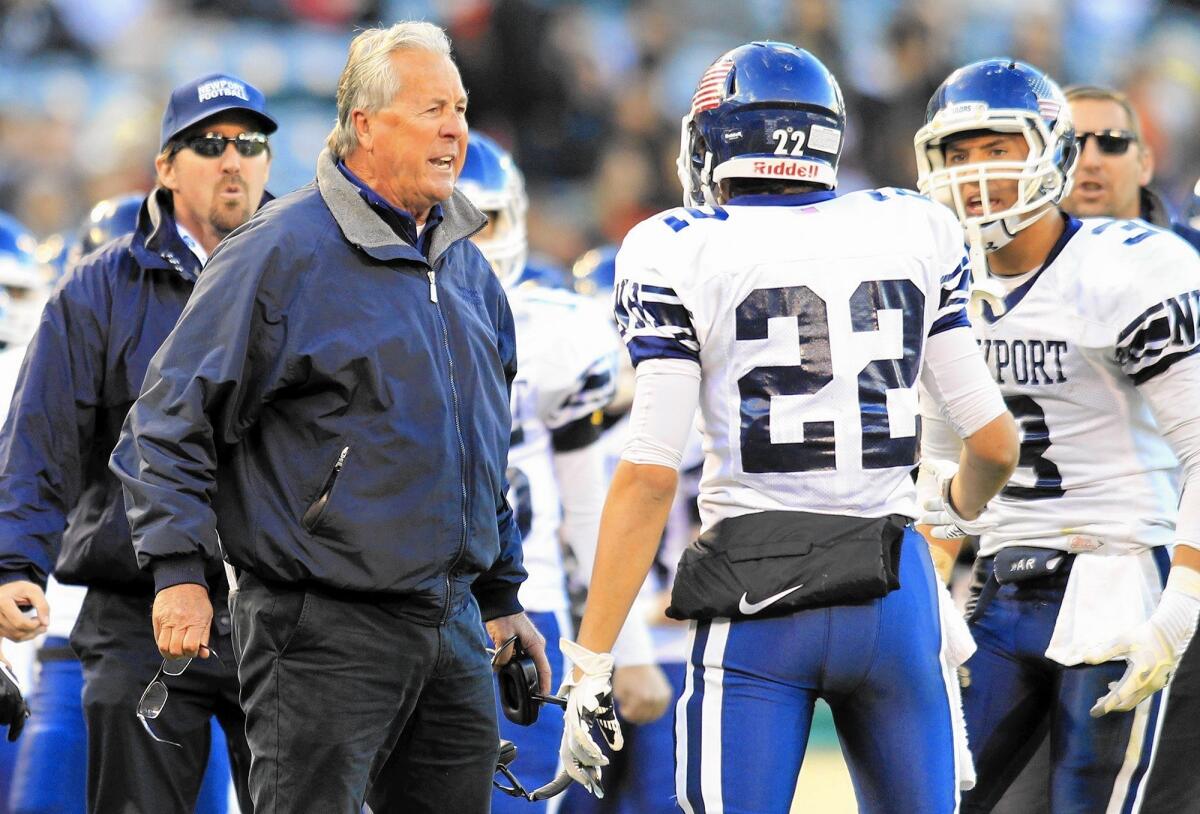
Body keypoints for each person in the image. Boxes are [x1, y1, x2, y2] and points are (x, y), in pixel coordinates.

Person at [557, 41, 1018, 813]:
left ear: (717, 141)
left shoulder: (675, 246)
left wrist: (593, 661)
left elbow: (648, 473)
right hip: (896, 591)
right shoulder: (913, 224)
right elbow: (994, 443)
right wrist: (950, 507)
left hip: (756, 600)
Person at [110, 22, 547, 814]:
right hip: (321, 627)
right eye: (431, 110)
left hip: (450, 623)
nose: (456, 129)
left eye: (460, 108)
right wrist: (178, 571)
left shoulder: (467, 264)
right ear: (366, 125)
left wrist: (500, 591)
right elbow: (167, 422)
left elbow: (483, 445)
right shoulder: (278, 252)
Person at [913, 59, 1200, 812]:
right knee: (932, 794)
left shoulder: (1132, 269)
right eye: (960, 154)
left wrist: (1183, 600)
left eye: (999, 149)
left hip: (1122, 573)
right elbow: (945, 458)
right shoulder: (942, 280)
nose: (978, 175)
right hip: (1002, 585)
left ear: (1050, 153)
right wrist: (930, 581)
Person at [0, 72, 276, 812]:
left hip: (285, 606)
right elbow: (40, 442)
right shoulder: (97, 290)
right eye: (209, 143)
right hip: (139, 603)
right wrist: (14, 563)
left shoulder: (314, 272)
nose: (233, 160)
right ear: (165, 164)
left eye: (250, 143)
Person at [1061, 84, 1200, 250]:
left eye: (1112, 142)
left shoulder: (1193, 255)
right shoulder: (1023, 262)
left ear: (1144, 164)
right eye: (1070, 144)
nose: (1090, 162)